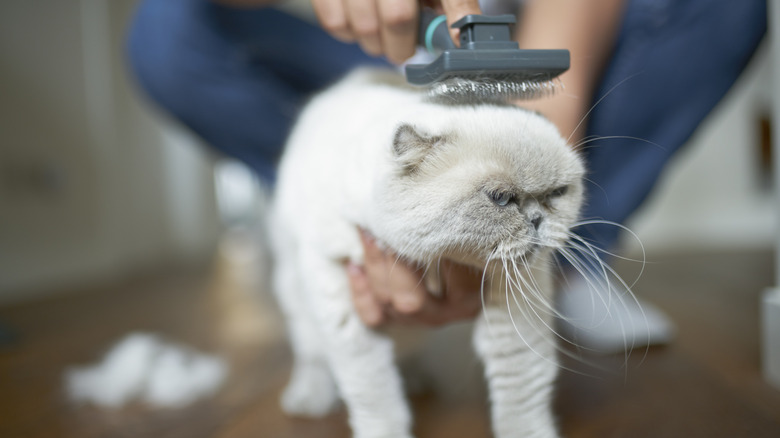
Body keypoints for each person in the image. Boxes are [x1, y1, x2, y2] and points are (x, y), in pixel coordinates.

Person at [127, 0, 766, 348]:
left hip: (528, 46)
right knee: (170, 28)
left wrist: (536, 135)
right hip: (376, 53)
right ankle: (350, 246)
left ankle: (562, 266)